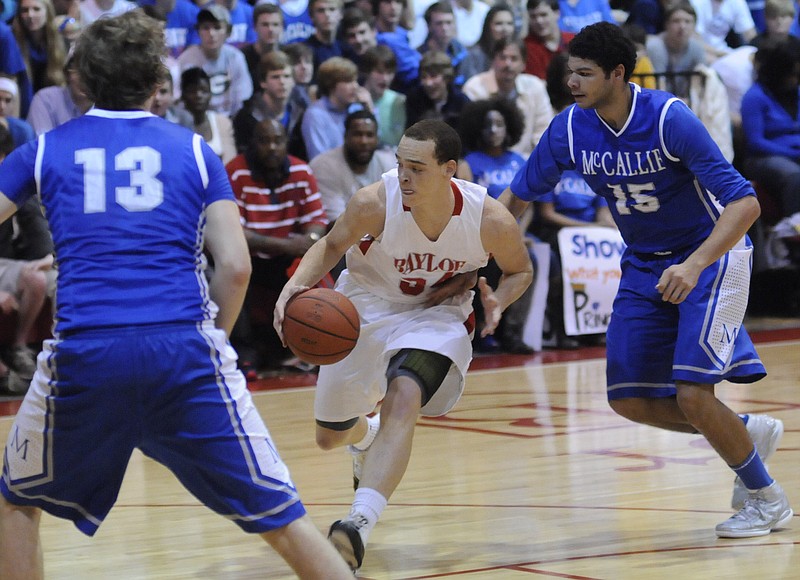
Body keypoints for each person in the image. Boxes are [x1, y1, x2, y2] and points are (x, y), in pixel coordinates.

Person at [0, 11, 354, 579]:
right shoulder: (193, 150)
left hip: (85, 355)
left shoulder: (42, 151)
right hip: (183, 348)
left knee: (17, 502)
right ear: (155, 81)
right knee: (284, 521)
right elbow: (236, 266)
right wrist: (211, 338)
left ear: (82, 80)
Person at [500, 21, 792, 538]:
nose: (572, 83)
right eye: (570, 73)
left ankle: (767, 500)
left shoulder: (669, 119)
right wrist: (485, 255)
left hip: (712, 257)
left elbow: (744, 202)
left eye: (585, 74)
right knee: (628, 397)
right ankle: (745, 434)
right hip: (644, 262)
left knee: (693, 394)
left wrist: (695, 263)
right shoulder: (570, 127)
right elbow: (518, 198)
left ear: (617, 74)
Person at [273, 119, 533, 572]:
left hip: (437, 315)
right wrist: (293, 287)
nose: (404, 176)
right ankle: (366, 436)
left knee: (405, 392)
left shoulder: (488, 218)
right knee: (329, 436)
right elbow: (331, 246)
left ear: (449, 169)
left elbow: (520, 271)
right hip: (363, 307)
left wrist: (497, 303)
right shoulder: (374, 202)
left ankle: (357, 524)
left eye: (417, 167)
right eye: (400, 164)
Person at [227, 118, 329, 371]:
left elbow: (317, 224)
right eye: (264, 141)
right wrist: (289, 245)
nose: (272, 147)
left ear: (286, 143)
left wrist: (311, 241)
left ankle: (313, 344)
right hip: (250, 257)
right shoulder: (235, 171)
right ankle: (244, 349)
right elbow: (235, 233)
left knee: (318, 262)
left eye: (277, 140)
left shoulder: (301, 171)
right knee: (233, 267)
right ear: (253, 144)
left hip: (285, 257)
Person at [462, 38, 554, 158]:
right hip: (484, 161)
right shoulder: (474, 88)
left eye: (514, 59)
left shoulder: (535, 87)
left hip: (527, 162)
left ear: (523, 64)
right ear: (493, 61)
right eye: (502, 58)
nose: (508, 64)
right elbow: (472, 137)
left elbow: (544, 133)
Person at [740, 38, 800, 218]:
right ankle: (793, 230)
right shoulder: (754, 97)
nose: (795, 78)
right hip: (764, 157)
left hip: (794, 152)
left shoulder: (797, 92)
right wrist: (793, 153)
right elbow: (756, 142)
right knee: (795, 176)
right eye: (793, 73)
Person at [309, 108, 395, 224]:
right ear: (345, 136)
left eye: (369, 135)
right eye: (357, 134)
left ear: (377, 139)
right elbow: (335, 223)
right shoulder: (323, 166)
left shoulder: (390, 163)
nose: (364, 141)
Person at [177, 5, 253, 117]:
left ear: (228, 31)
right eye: (205, 28)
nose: (211, 34)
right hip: (196, 120)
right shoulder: (186, 60)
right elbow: (179, 102)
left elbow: (242, 98)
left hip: (230, 119)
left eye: (217, 28)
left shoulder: (236, 57)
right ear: (198, 31)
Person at [233, 50, 306, 154]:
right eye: (275, 77)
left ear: (293, 81)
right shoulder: (247, 116)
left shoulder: (300, 113)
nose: (282, 82)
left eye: (287, 76)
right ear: (263, 83)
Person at [300, 56, 366, 160]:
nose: (355, 86)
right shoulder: (315, 114)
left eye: (355, 81)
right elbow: (318, 159)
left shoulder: (357, 109)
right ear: (331, 85)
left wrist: (370, 109)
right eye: (349, 81)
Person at [25, 50, 92, 135]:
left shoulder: (107, 106)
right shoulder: (46, 100)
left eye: (91, 72)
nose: (84, 79)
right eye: (78, 71)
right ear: (67, 73)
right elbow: (43, 144)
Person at [179, 67, 236, 164]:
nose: (198, 95)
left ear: (210, 94)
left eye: (204, 91)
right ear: (183, 95)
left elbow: (230, 162)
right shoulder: (174, 124)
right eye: (192, 91)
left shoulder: (223, 122)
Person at [12, 0, 68, 94]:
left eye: (36, 9)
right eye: (25, 10)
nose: (30, 15)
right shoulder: (12, 41)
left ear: (47, 12)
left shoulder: (62, 42)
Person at [405, 50, 470, 129]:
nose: (428, 83)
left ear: (446, 77)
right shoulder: (414, 99)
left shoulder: (461, 102)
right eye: (424, 77)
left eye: (433, 76)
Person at [360, 45, 406, 148]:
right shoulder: (353, 100)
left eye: (389, 73)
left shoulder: (399, 101)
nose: (385, 78)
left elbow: (396, 142)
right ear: (367, 72)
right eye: (379, 72)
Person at [460, 3, 516, 82]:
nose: (505, 29)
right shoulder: (473, 55)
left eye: (509, 23)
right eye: (499, 24)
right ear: (488, 26)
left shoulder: (518, 53)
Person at [418, 1, 468, 87]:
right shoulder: (418, 56)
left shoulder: (462, 52)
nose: (445, 28)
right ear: (429, 26)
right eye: (439, 23)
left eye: (449, 23)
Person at [523, 0, 574, 79]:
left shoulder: (574, 40)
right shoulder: (525, 47)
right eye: (533, 16)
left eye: (543, 15)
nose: (539, 21)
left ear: (557, 14)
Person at [240, 2, 284, 88]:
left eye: (275, 24)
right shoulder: (242, 58)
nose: (270, 29)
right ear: (255, 27)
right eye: (265, 25)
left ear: (282, 27)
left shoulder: (288, 55)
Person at [303, 0, 345, 77]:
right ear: (311, 16)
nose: (327, 14)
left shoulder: (348, 48)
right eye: (321, 10)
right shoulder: (306, 51)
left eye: (332, 9)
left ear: (341, 14)